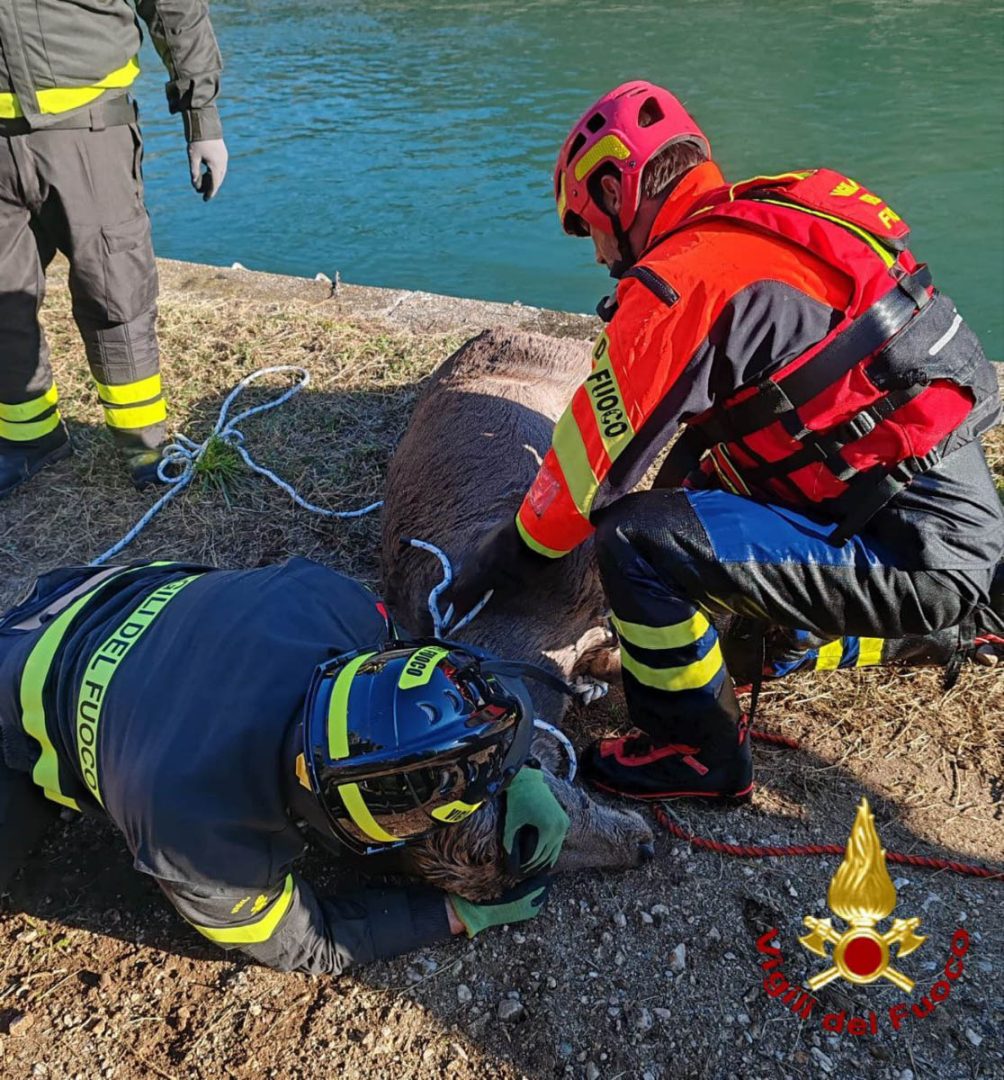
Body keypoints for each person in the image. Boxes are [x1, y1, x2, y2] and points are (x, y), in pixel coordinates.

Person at [446, 81, 1003, 803]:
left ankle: (695, 754)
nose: (597, 254)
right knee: (722, 573)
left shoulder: (680, 283)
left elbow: (583, 480)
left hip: (911, 542)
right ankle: (949, 622)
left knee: (637, 542)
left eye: (591, 227)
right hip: (937, 503)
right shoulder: (780, 209)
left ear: (619, 188)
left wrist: (498, 560)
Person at [0, 558, 568, 974]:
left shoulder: (337, 602)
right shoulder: (199, 841)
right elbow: (305, 943)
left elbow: (419, 701)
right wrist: (451, 915)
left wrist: (503, 764)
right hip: (19, 682)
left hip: (109, 583)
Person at [0, 1, 229, 497]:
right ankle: (29, 438)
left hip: (87, 129)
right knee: (2, 299)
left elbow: (173, 6)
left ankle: (144, 445)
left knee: (114, 291)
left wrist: (201, 117)